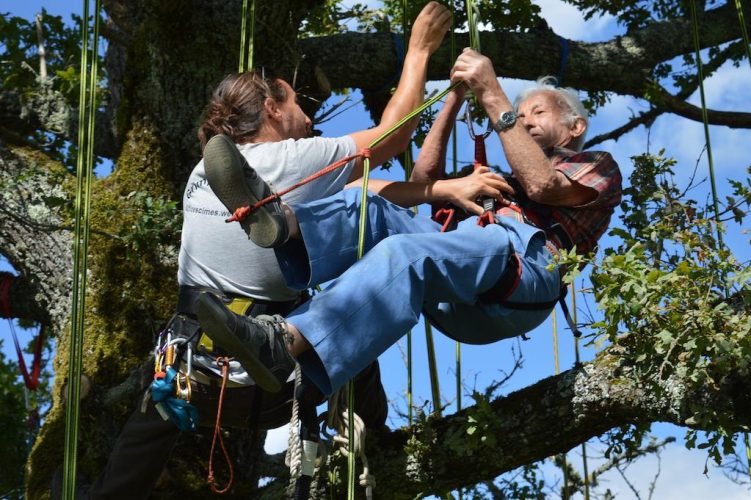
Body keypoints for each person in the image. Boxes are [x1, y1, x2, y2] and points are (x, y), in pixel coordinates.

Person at [78, 4, 457, 498]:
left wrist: (440, 191)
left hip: (192, 366)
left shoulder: (202, 172)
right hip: (273, 381)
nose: (309, 115)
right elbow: (392, 136)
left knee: (146, 429)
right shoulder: (296, 158)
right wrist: (419, 50)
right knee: (359, 312)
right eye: (298, 102)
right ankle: (375, 445)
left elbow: (364, 192)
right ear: (273, 108)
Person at [193, 49, 623, 399]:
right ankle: (281, 220)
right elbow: (423, 184)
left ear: (574, 127)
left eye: (538, 113)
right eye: (521, 112)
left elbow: (544, 185)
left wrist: (494, 94)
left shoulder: (596, 166)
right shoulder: (503, 181)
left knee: (405, 253)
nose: (524, 119)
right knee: (373, 209)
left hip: (524, 276)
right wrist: (454, 99)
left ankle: (282, 344)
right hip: (464, 279)